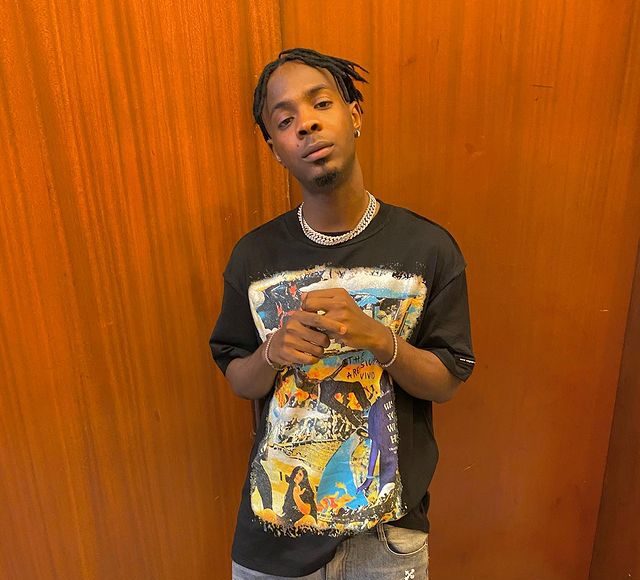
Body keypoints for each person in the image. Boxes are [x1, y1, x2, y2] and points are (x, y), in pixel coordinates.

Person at [210, 47, 475, 580]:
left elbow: (446, 381)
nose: (306, 124)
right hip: (274, 538)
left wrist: (380, 339)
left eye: (321, 103)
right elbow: (238, 377)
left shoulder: (428, 249)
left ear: (355, 114)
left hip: (387, 539)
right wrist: (271, 352)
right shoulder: (253, 257)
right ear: (275, 149)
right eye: (285, 120)